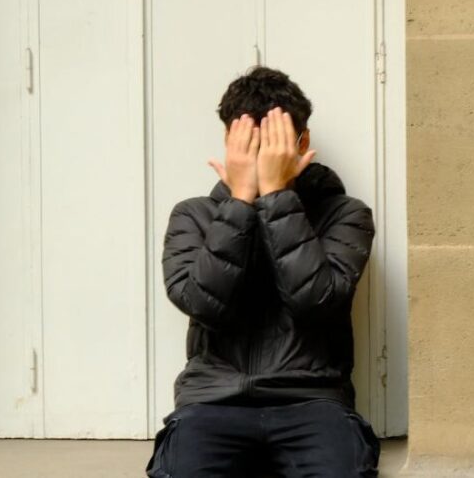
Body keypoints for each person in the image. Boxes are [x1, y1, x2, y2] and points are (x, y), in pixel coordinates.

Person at [146, 66, 379, 477]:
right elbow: (203, 304)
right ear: (229, 142)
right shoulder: (193, 215)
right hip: (212, 402)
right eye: (250, 144)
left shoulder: (345, 214)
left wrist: (276, 196)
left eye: (273, 143)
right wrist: (239, 202)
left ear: (302, 142)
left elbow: (315, 302)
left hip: (312, 401)